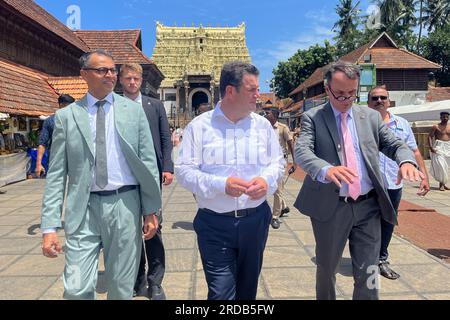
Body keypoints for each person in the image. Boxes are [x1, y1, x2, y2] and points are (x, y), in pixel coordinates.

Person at [294, 61, 423, 300]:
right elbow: (302, 151)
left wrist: (406, 161)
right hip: (331, 207)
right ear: (327, 88)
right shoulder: (314, 117)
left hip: (368, 206)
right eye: (340, 94)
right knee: (327, 268)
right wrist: (324, 169)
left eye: (352, 93)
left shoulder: (370, 117)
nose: (346, 99)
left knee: (369, 269)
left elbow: (395, 144)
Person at [40, 50, 161, 300]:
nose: (110, 75)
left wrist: (151, 210)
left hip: (125, 204)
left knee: (120, 287)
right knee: (76, 288)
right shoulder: (66, 117)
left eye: (112, 70)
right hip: (83, 208)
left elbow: (148, 162)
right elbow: (56, 175)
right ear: (84, 74)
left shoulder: (133, 112)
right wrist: (49, 226)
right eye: (102, 70)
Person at [175, 61, 285, 300]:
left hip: (255, 220)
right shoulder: (200, 127)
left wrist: (266, 181)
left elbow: (278, 163)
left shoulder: (262, 126)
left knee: (248, 291)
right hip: (214, 224)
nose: (259, 95)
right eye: (252, 89)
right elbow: (183, 171)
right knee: (221, 293)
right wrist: (220, 184)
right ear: (230, 91)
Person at [119, 63, 173, 300]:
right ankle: (136, 280)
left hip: (151, 175)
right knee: (130, 230)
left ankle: (155, 281)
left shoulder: (155, 105)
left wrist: (168, 168)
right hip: (124, 176)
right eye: (128, 78)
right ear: (121, 81)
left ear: (141, 81)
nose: (132, 82)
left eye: (136, 79)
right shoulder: (113, 107)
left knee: (154, 228)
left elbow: (165, 138)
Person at [368, 85, 430, 280]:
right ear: (368, 102)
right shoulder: (361, 125)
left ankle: (381, 260)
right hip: (369, 184)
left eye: (382, 98)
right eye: (375, 98)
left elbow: (414, 151)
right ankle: (364, 258)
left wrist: (424, 176)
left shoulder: (401, 124)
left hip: (394, 183)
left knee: (388, 222)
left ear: (389, 101)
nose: (379, 101)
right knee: (365, 223)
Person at [264, 107, 297, 229]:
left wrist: (294, 162)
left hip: (279, 162)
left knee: (277, 190)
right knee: (271, 188)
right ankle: (283, 207)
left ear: (274, 115)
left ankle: (275, 217)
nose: (265, 115)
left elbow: (291, 145)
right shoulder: (263, 128)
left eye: (267, 113)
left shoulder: (283, 128)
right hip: (265, 162)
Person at [36, 94, 75, 177]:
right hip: (56, 162)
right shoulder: (50, 121)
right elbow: (42, 143)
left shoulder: (77, 120)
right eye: (70, 106)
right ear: (61, 105)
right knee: (55, 188)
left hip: (75, 162)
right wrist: (38, 164)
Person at [428, 111, 450, 191]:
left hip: (448, 147)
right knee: (441, 165)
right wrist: (431, 147)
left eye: (447, 117)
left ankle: (443, 183)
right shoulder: (436, 126)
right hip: (439, 147)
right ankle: (441, 184)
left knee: (445, 166)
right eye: (443, 117)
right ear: (440, 117)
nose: (445, 118)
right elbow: (430, 136)